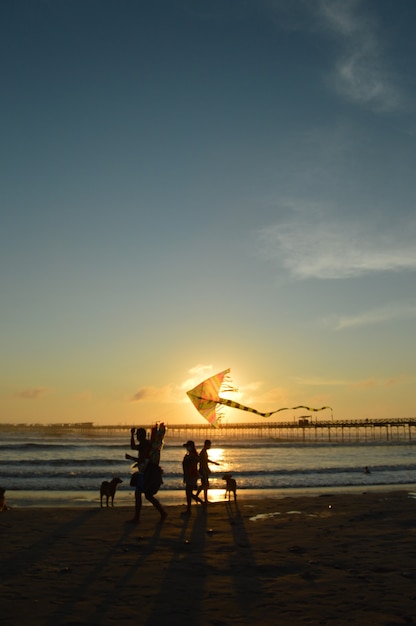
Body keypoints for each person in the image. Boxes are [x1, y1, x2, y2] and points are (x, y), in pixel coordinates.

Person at [126, 427, 167, 524]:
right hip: (145, 472)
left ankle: (138, 517)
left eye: (137, 436)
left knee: (143, 494)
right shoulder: (144, 444)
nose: (137, 438)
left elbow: (143, 459)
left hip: (147, 473)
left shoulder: (146, 445)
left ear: (142, 436)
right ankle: (161, 513)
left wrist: (130, 458)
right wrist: (131, 434)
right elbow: (133, 447)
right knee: (144, 495)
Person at [182, 440, 203, 514]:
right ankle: (190, 508)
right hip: (190, 475)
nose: (187, 448)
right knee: (189, 493)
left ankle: (199, 504)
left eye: (188, 446)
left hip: (192, 475)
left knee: (189, 493)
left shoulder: (193, 455)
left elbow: (192, 464)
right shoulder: (191, 455)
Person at [196, 439, 219, 503]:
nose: (210, 446)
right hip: (203, 470)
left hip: (204, 469)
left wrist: (213, 463)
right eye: (209, 445)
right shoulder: (203, 452)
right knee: (205, 485)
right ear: (206, 445)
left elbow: (206, 460)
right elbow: (204, 462)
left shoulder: (204, 452)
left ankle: (201, 497)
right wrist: (206, 469)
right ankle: (199, 497)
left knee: (205, 484)